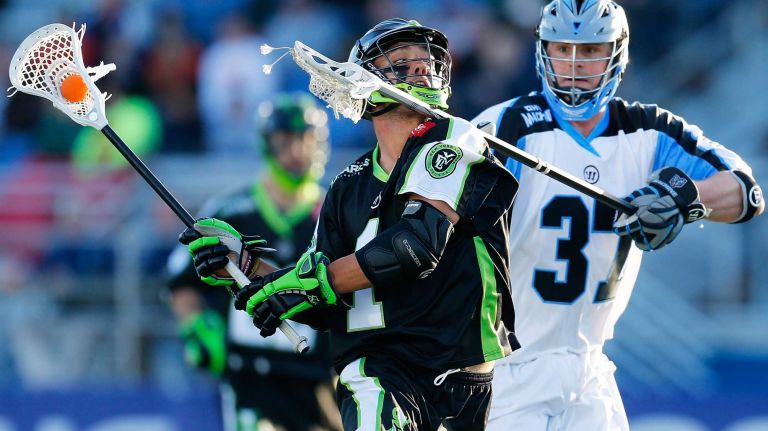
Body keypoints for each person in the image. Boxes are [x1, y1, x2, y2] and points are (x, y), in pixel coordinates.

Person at [181, 18, 521, 430]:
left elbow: (415, 246)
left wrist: (309, 283)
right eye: (399, 62)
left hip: (463, 375)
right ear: (365, 84)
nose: (419, 69)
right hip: (378, 370)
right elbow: (320, 298)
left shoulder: (456, 139)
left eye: (423, 60)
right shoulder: (347, 186)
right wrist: (249, 268)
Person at [471, 1, 765, 429]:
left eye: (590, 50)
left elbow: (746, 192)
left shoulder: (647, 129)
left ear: (617, 53)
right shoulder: (506, 128)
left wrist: (681, 197)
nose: (573, 64)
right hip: (507, 367)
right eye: (561, 49)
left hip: (590, 367)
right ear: (542, 51)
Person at [166, 93, 341, 431]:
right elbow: (180, 279)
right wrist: (196, 325)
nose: (297, 151)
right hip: (250, 378)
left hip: (320, 377)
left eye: (306, 139)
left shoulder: (336, 216)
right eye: (285, 141)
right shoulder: (231, 213)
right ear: (267, 145)